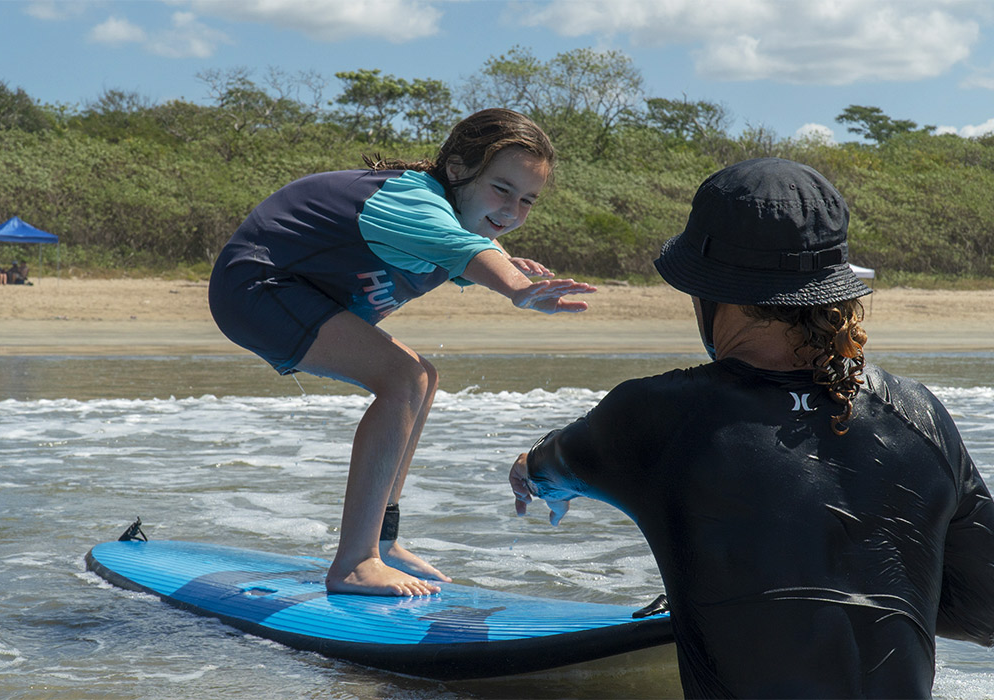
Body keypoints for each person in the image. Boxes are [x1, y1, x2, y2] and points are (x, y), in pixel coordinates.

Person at [509, 158, 994, 697]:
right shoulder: (920, 414)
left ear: (710, 292)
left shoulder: (657, 415)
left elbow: (547, 467)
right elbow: (983, 609)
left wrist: (530, 472)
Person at [210, 108, 596, 598]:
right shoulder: (413, 198)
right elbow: (458, 247)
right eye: (502, 189)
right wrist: (517, 287)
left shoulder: (451, 221)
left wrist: (504, 262)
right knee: (403, 377)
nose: (512, 211)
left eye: (527, 201)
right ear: (457, 169)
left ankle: (382, 542)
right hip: (255, 287)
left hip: (292, 293)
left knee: (421, 377)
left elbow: (462, 248)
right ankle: (353, 562)